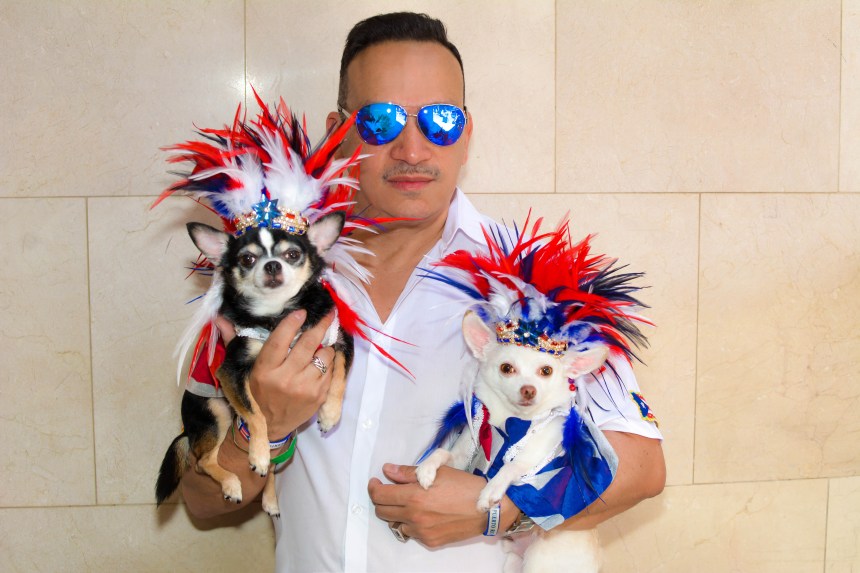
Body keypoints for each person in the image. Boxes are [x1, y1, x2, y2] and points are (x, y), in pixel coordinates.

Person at [179, 11, 665, 572]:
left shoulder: (529, 281)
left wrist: (503, 510)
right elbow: (201, 500)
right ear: (341, 132)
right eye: (381, 121)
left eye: (440, 121)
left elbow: (643, 466)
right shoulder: (262, 278)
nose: (413, 149)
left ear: (467, 132)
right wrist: (262, 426)